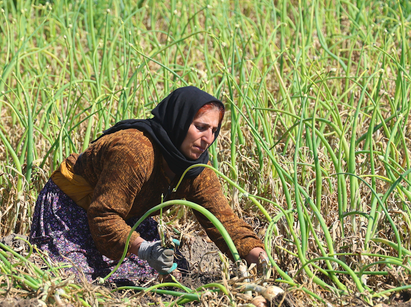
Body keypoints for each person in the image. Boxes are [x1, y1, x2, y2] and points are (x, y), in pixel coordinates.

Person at [29, 86, 269, 285]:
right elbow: (103, 214)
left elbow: (224, 221)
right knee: (76, 277)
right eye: (200, 127)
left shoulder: (196, 170)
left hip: (122, 215)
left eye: (214, 131)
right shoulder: (135, 151)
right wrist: (144, 249)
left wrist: (260, 258)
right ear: (179, 120)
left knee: (171, 273)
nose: (208, 139)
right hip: (71, 208)